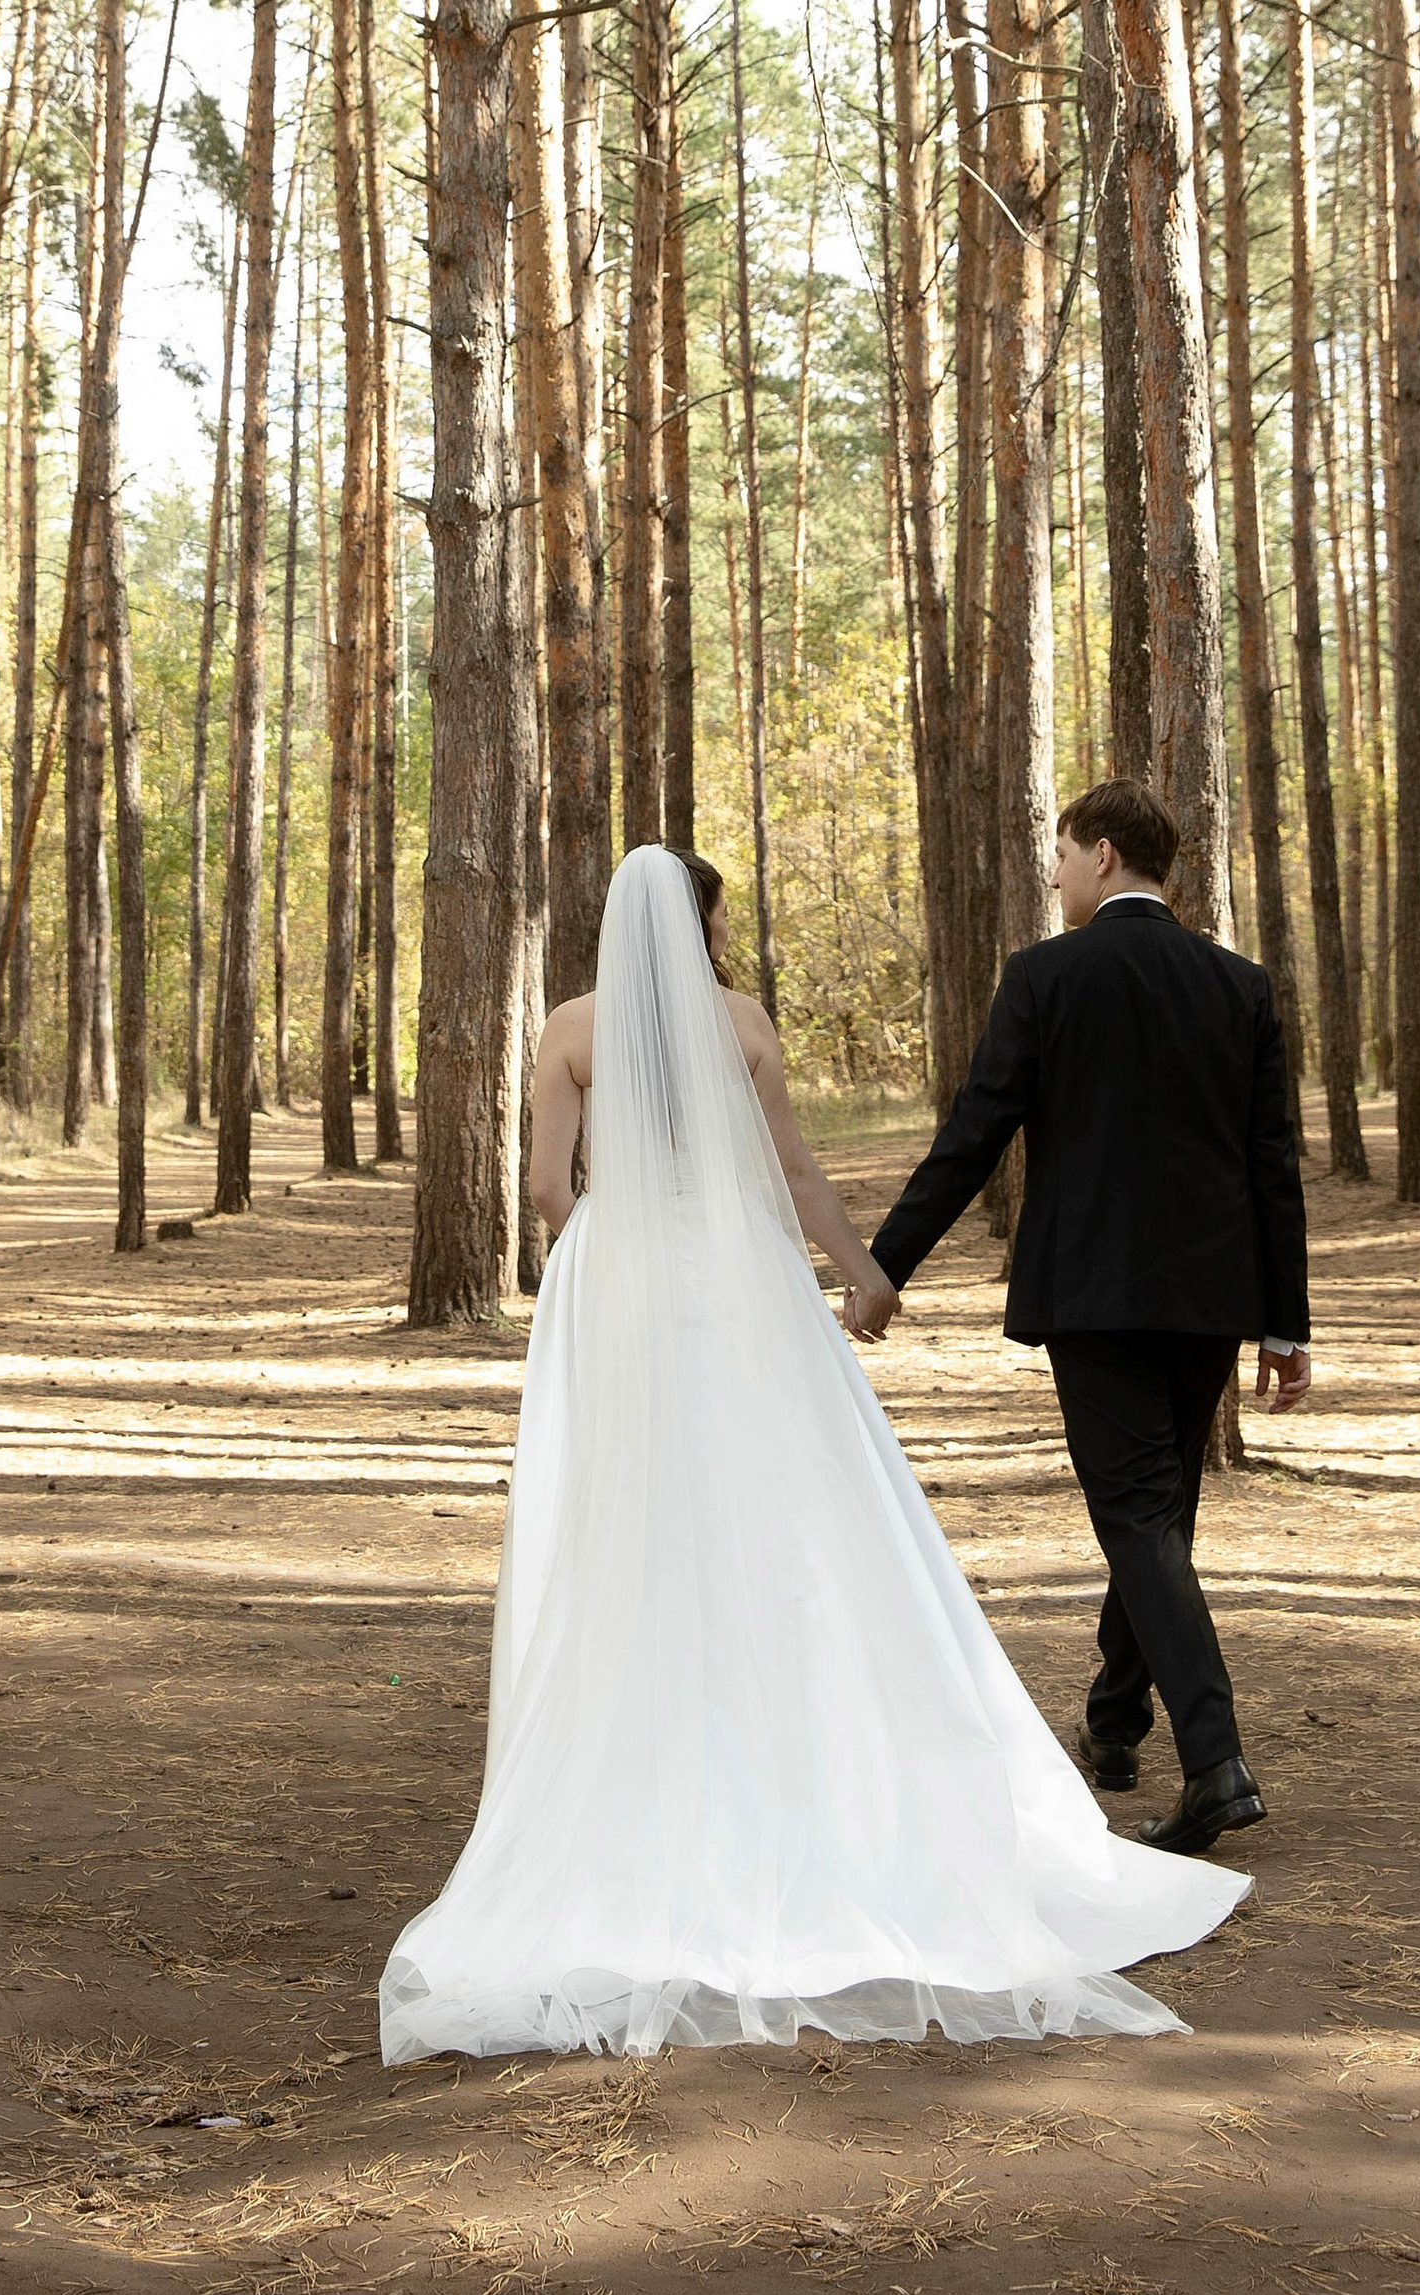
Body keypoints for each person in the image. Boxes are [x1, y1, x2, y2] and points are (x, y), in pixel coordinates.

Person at [377, 840, 1253, 2062]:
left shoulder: (570, 1028)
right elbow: (792, 1172)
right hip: (740, 1287)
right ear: (702, 921)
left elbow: (544, 1190)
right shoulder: (739, 1021)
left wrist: (608, 1259)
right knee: (788, 1513)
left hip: (619, 1295)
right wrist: (863, 1276)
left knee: (628, 1521)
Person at [848, 779, 1312, 1862]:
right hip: (1210, 1295)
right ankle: (1115, 1721)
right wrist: (1283, 1323)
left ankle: (1217, 1765)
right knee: (1158, 1511)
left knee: (1138, 1518)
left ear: (1103, 856)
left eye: (1059, 854)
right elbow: (1271, 1168)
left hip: (1096, 1293)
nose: (1051, 875)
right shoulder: (1237, 985)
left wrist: (885, 1267)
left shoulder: (1046, 976)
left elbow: (974, 1134)